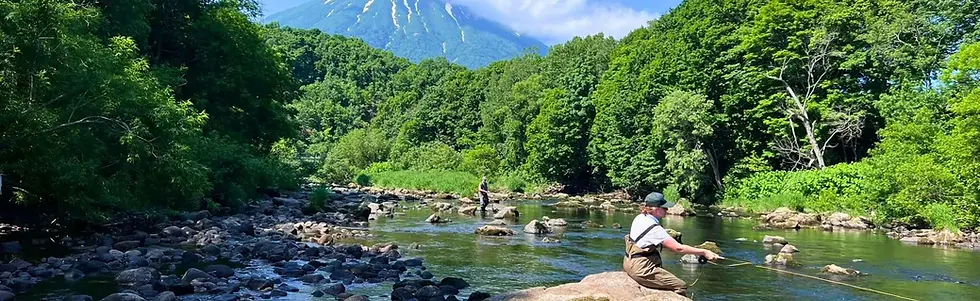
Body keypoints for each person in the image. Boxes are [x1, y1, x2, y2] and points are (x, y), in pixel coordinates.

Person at [623, 192, 722, 296]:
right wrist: (704, 252)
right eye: (664, 208)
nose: (667, 209)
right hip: (640, 268)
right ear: (656, 209)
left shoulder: (640, 217)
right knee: (681, 286)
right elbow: (678, 248)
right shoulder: (654, 228)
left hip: (629, 261)